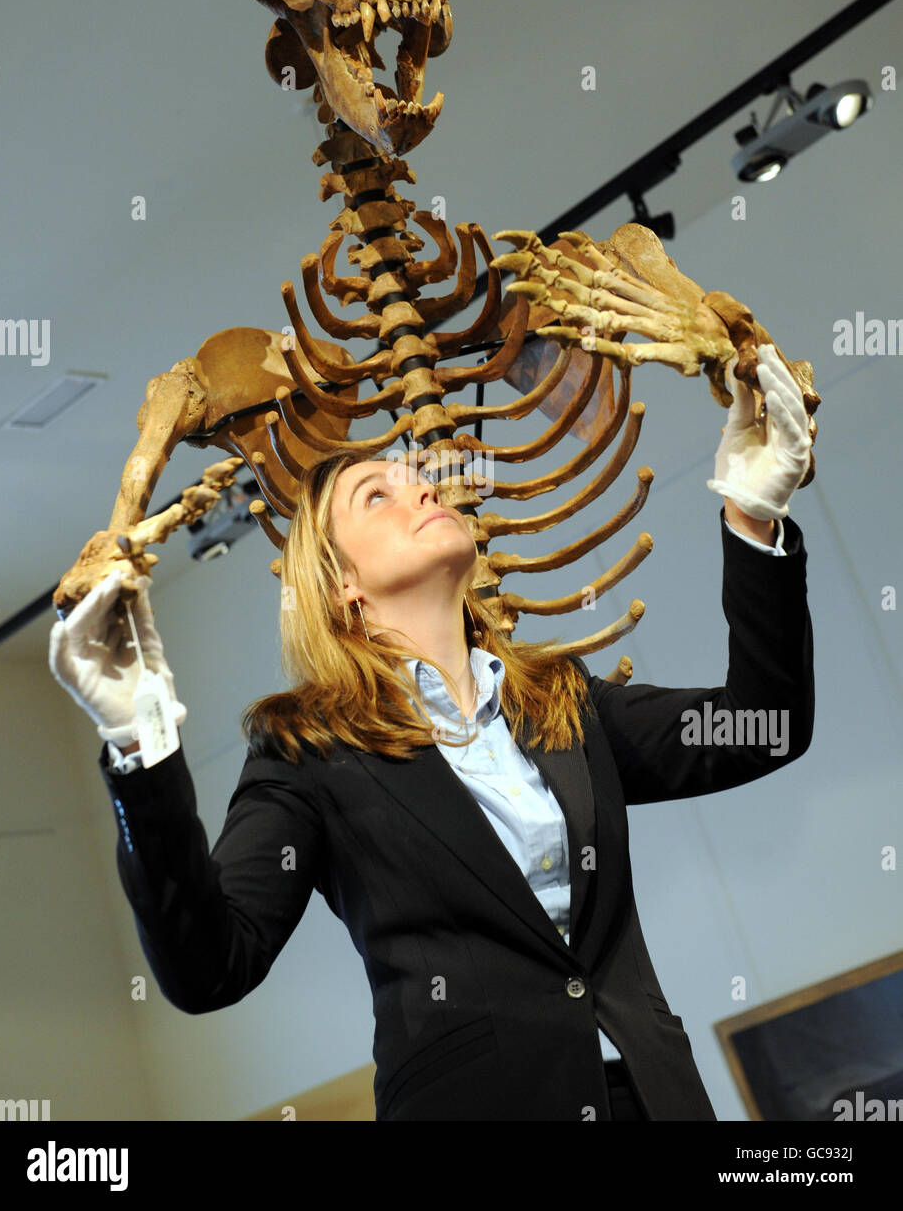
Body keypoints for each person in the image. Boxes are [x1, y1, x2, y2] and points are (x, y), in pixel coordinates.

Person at [49, 344, 815, 1120]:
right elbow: (210, 967)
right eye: (377, 496)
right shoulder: (307, 751)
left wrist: (753, 514)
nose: (420, 491)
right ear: (340, 583)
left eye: (418, 479)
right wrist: (138, 743)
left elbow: (767, 725)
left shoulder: (562, 702)